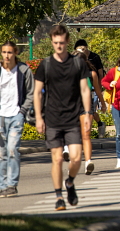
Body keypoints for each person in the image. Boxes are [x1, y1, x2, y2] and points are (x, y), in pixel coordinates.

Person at [33, 24, 93, 210]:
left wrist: (88, 113)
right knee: (57, 159)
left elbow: (85, 89)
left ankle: (70, 182)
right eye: (55, 42)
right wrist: (38, 118)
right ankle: (59, 196)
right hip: (52, 119)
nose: (58, 46)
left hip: (73, 118)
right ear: (52, 42)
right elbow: (37, 93)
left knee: (76, 159)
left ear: (67, 41)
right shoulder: (46, 64)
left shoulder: (77, 63)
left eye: (61, 42)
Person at [0, 40, 35, 198]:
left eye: (10, 52)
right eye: (4, 52)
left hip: (16, 116)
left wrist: (23, 111)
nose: (7, 55)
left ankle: (12, 185)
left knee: (12, 150)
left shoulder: (24, 70)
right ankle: (3, 186)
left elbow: (31, 92)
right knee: (0, 153)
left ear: (16, 53)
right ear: (1, 53)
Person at [73, 48, 107, 175]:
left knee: (85, 135)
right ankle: (72, 155)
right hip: (72, 107)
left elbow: (98, 91)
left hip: (87, 107)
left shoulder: (91, 74)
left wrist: (103, 104)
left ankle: (88, 162)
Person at [74, 39, 107, 138]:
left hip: (91, 91)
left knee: (91, 113)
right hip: (76, 99)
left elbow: (100, 73)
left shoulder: (94, 59)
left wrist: (100, 87)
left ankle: (99, 124)